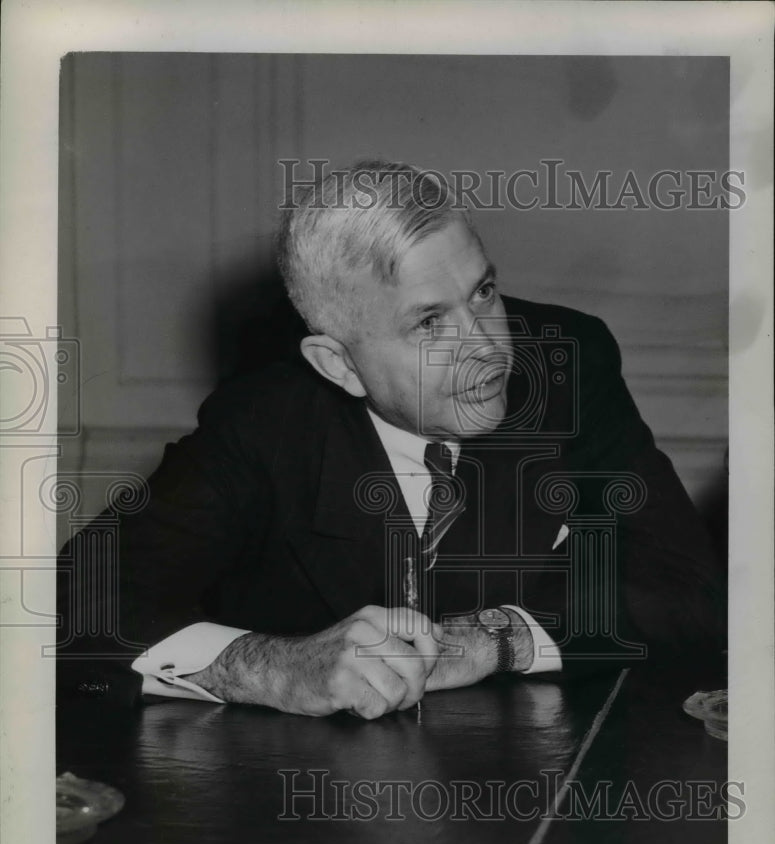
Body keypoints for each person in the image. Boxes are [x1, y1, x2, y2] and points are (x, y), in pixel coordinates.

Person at [57, 160, 726, 716]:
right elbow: (73, 600)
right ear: (338, 365)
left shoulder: (563, 365)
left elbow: (686, 586)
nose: (488, 350)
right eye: (429, 324)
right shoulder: (264, 424)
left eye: (484, 292)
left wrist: (494, 639)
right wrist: (266, 670)